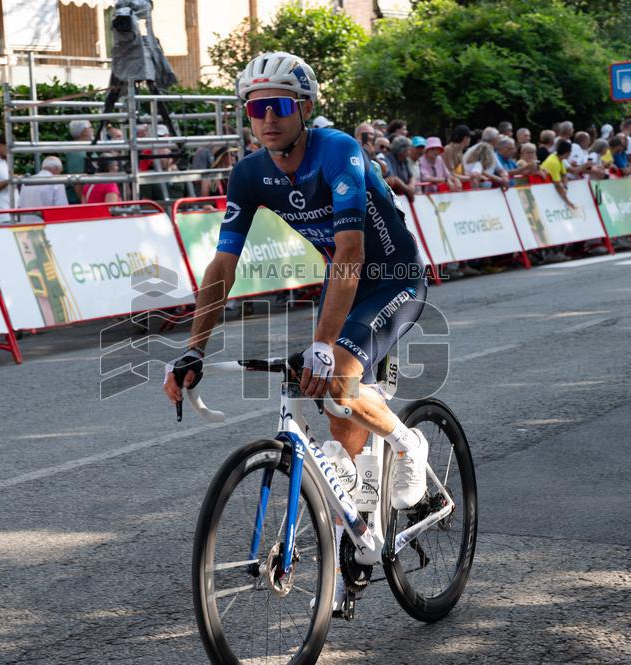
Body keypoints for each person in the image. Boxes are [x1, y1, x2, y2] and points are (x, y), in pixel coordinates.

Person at [162, 52, 430, 612]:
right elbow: (223, 267)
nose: (267, 118)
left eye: (279, 106)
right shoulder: (249, 172)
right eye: (255, 108)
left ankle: (409, 443)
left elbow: (352, 252)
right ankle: (362, 531)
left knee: (337, 377)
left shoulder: (339, 152)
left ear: (304, 108)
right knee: (334, 403)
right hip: (344, 285)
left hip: (392, 279)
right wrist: (192, 349)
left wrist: (323, 345)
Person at [541, 140, 575, 208]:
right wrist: (568, 202)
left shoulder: (557, 157)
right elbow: (558, 185)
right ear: (568, 153)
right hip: (543, 187)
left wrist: (565, 187)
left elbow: (564, 174)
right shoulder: (554, 162)